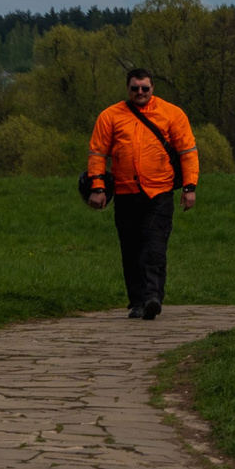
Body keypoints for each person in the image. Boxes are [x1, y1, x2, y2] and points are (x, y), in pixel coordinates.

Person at [83, 67, 199, 320]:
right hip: (125, 192)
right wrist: (98, 188)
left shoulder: (172, 113)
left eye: (145, 88)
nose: (140, 92)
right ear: (128, 88)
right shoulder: (110, 116)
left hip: (160, 191)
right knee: (131, 248)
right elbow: (97, 154)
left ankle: (152, 298)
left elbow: (187, 152)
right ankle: (137, 301)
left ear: (152, 88)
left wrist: (190, 188)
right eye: (135, 88)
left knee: (155, 247)